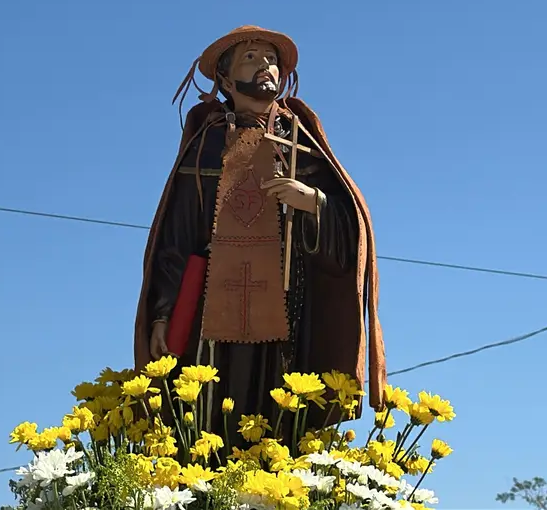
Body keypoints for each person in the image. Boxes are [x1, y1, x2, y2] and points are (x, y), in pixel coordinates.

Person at [132, 26, 385, 436]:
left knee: (280, 420)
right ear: (226, 80)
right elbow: (176, 235)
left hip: (289, 311)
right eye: (251, 58)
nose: (265, 65)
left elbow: (351, 232)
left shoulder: (300, 137)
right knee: (205, 424)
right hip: (207, 313)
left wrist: (313, 202)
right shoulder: (205, 144)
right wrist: (162, 314)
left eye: (269, 58)